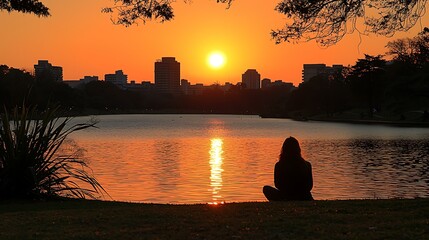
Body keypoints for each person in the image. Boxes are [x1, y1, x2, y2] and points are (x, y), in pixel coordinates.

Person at [263, 137, 314, 201]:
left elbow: (278, 185)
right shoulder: (307, 165)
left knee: (266, 189)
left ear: (284, 149)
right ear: (298, 149)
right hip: (304, 196)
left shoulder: (279, 165)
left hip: (286, 196)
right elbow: (310, 186)